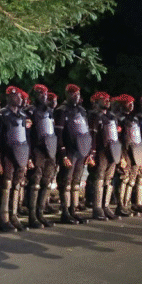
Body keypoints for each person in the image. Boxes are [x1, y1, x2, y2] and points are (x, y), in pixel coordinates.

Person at [53, 84, 93, 225]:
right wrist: (63, 153)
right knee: (66, 182)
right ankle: (65, 213)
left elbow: (86, 132)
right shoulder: (61, 111)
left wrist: (88, 151)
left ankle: (73, 211)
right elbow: (58, 134)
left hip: (80, 150)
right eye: (73, 94)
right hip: (69, 151)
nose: (76, 97)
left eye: (78, 94)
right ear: (67, 94)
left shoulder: (82, 111)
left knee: (76, 182)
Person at [0, 87, 31, 232]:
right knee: (6, 185)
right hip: (7, 155)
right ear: (9, 97)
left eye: (21, 97)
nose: (20, 99)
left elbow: (26, 138)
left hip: (21, 153)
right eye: (17, 97)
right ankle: (3, 218)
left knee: (16, 185)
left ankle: (13, 215)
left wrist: (27, 158)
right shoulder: (1, 115)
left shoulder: (22, 115)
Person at [27, 84, 57, 228]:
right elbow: (27, 135)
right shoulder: (30, 111)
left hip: (49, 150)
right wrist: (29, 155)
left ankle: (40, 213)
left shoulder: (49, 111)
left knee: (46, 182)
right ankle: (32, 216)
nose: (43, 96)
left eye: (45, 94)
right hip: (36, 149)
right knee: (35, 183)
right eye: (40, 94)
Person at [87, 91, 120, 220]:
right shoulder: (93, 116)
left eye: (108, 99)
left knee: (108, 180)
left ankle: (105, 206)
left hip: (112, 151)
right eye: (103, 99)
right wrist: (91, 153)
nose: (107, 101)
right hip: (100, 151)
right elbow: (92, 136)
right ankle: (97, 208)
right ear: (96, 102)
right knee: (99, 180)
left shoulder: (111, 117)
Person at [115, 95, 142, 217]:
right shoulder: (118, 118)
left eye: (132, 103)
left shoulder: (134, 119)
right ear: (122, 105)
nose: (131, 105)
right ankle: (120, 206)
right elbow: (117, 139)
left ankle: (127, 205)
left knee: (132, 180)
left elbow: (138, 137)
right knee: (124, 179)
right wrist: (121, 156)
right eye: (129, 103)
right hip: (125, 151)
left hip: (135, 151)